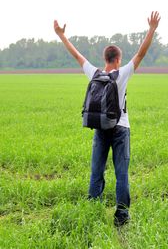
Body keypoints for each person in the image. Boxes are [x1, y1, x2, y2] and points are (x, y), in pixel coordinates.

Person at [54, 11, 161, 226]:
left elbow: (77, 56)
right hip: (121, 128)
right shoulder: (122, 74)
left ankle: (93, 210)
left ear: (105, 59)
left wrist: (61, 35)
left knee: (96, 172)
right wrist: (151, 29)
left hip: (101, 128)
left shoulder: (94, 73)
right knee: (122, 174)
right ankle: (121, 216)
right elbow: (140, 54)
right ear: (119, 59)